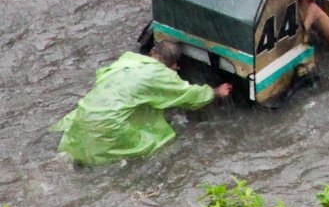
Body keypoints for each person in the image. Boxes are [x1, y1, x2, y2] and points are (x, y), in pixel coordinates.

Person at [51, 41, 232, 166]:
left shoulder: (127, 60)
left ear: (153, 52)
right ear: (174, 65)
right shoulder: (161, 75)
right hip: (109, 126)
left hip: (85, 113)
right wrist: (214, 92)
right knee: (160, 142)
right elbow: (188, 95)